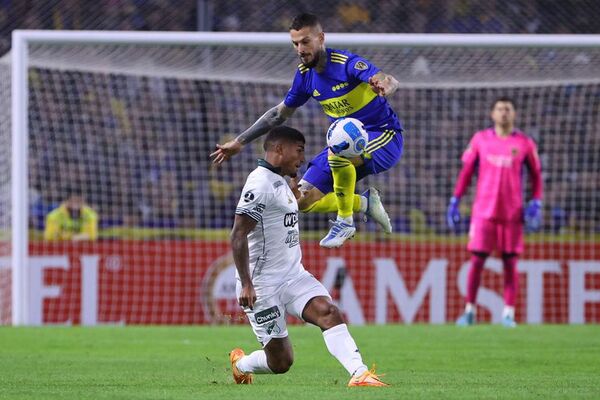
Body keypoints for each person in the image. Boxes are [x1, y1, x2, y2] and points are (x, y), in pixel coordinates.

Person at [211, 12, 404, 248]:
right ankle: (365, 204)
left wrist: (385, 84)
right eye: (295, 43)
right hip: (343, 145)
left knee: (338, 152)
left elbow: (386, 78)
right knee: (300, 200)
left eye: (305, 41)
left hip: (384, 136)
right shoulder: (305, 77)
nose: (300, 49)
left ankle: (345, 221)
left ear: (320, 38)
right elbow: (278, 114)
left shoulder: (346, 64)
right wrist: (240, 142)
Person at [229, 126, 387, 387]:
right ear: (279, 149)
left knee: (328, 311)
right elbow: (237, 235)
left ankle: (359, 374)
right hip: (262, 285)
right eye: (299, 151)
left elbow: (301, 200)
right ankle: (241, 364)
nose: (302, 158)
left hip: (293, 276)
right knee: (280, 362)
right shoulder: (259, 184)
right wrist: (246, 282)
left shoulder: (282, 179)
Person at [447, 97, 543, 328]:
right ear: (492, 114)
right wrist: (455, 200)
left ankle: (508, 314)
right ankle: (469, 311)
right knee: (477, 261)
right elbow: (467, 172)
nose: (504, 113)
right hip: (483, 212)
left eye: (508, 109)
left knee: (510, 263)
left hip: (512, 213)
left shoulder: (525, 143)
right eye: (500, 109)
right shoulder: (480, 139)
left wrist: (536, 201)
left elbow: (536, 176)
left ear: (514, 114)